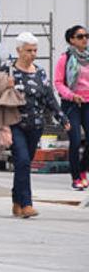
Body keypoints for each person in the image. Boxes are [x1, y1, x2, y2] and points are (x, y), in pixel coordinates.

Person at [2, 32, 70, 217]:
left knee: (23, 163)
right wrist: (2, 126)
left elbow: (49, 97)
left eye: (35, 50)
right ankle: (27, 204)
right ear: (19, 50)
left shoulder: (40, 72)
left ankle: (17, 200)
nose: (32, 54)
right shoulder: (8, 70)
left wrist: (62, 118)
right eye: (28, 50)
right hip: (14, 123)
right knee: (23, 160)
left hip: (36, 125)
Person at [54, 25, 89, 191]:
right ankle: (75, 177)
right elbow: (58, 83)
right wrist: (71, 95)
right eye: (80, 36)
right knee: (75, 141)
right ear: (71, 40)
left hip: (88, 103)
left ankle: (83, 170)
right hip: (72, 104)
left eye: (86, 36)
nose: (85, 39)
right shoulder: (65, 58)